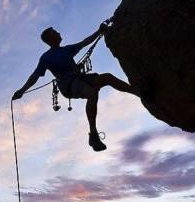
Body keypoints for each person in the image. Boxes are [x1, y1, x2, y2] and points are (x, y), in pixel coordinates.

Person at [12, 22, 137, 152]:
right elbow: (35, 76)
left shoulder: (66, 50)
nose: (59, 33)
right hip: (68, 85)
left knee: (107, 78)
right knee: (92, 93)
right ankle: (93, 134)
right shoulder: (46, 58)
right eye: (55, 33)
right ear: (50, 39)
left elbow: (85, 42)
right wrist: (22, 90)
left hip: (78, 79)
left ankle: (137, 92)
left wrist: (99, 31)